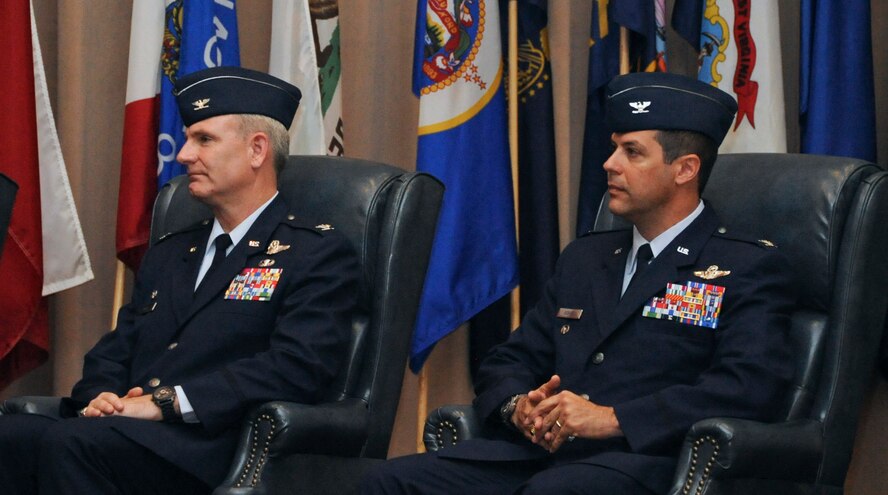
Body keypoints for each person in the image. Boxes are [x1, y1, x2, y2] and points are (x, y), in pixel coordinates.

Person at [361, 72, 796, 494]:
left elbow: (748, 388)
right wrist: (520, 406)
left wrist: (613, 418)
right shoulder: (585, 259)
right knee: (387, 481)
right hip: (546, 456)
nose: (610, 164)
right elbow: (510, 360)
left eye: (632, 152)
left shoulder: (744, 266)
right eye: (613, 148)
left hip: (648, 463)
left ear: (685, 169)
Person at [0, 67, 359, 494]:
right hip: (126, 433)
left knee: (73, 444)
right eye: (188, 139)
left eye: (204, 139)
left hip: (213, 442)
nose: (184, 155)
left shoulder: (313, 252)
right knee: (11, 437)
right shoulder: (172, 251)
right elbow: (116, 350)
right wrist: (102, 396)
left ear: (257, 149)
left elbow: (296, 367)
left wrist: (167, 403)